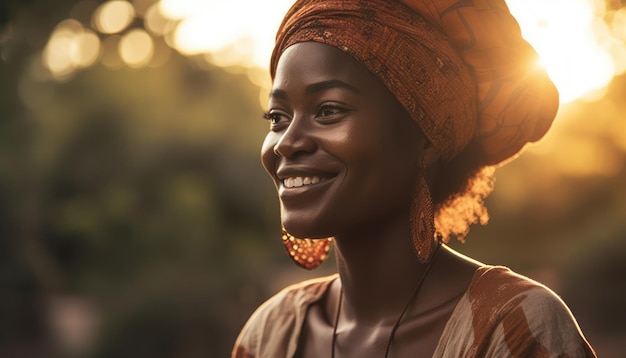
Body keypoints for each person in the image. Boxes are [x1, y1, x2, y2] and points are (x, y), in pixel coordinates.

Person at [233, 0, 597, 357]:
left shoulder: (513, 327)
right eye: (277, 117)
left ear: (425, 138)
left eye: (328, 110)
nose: (287, 143)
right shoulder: (268, 335)